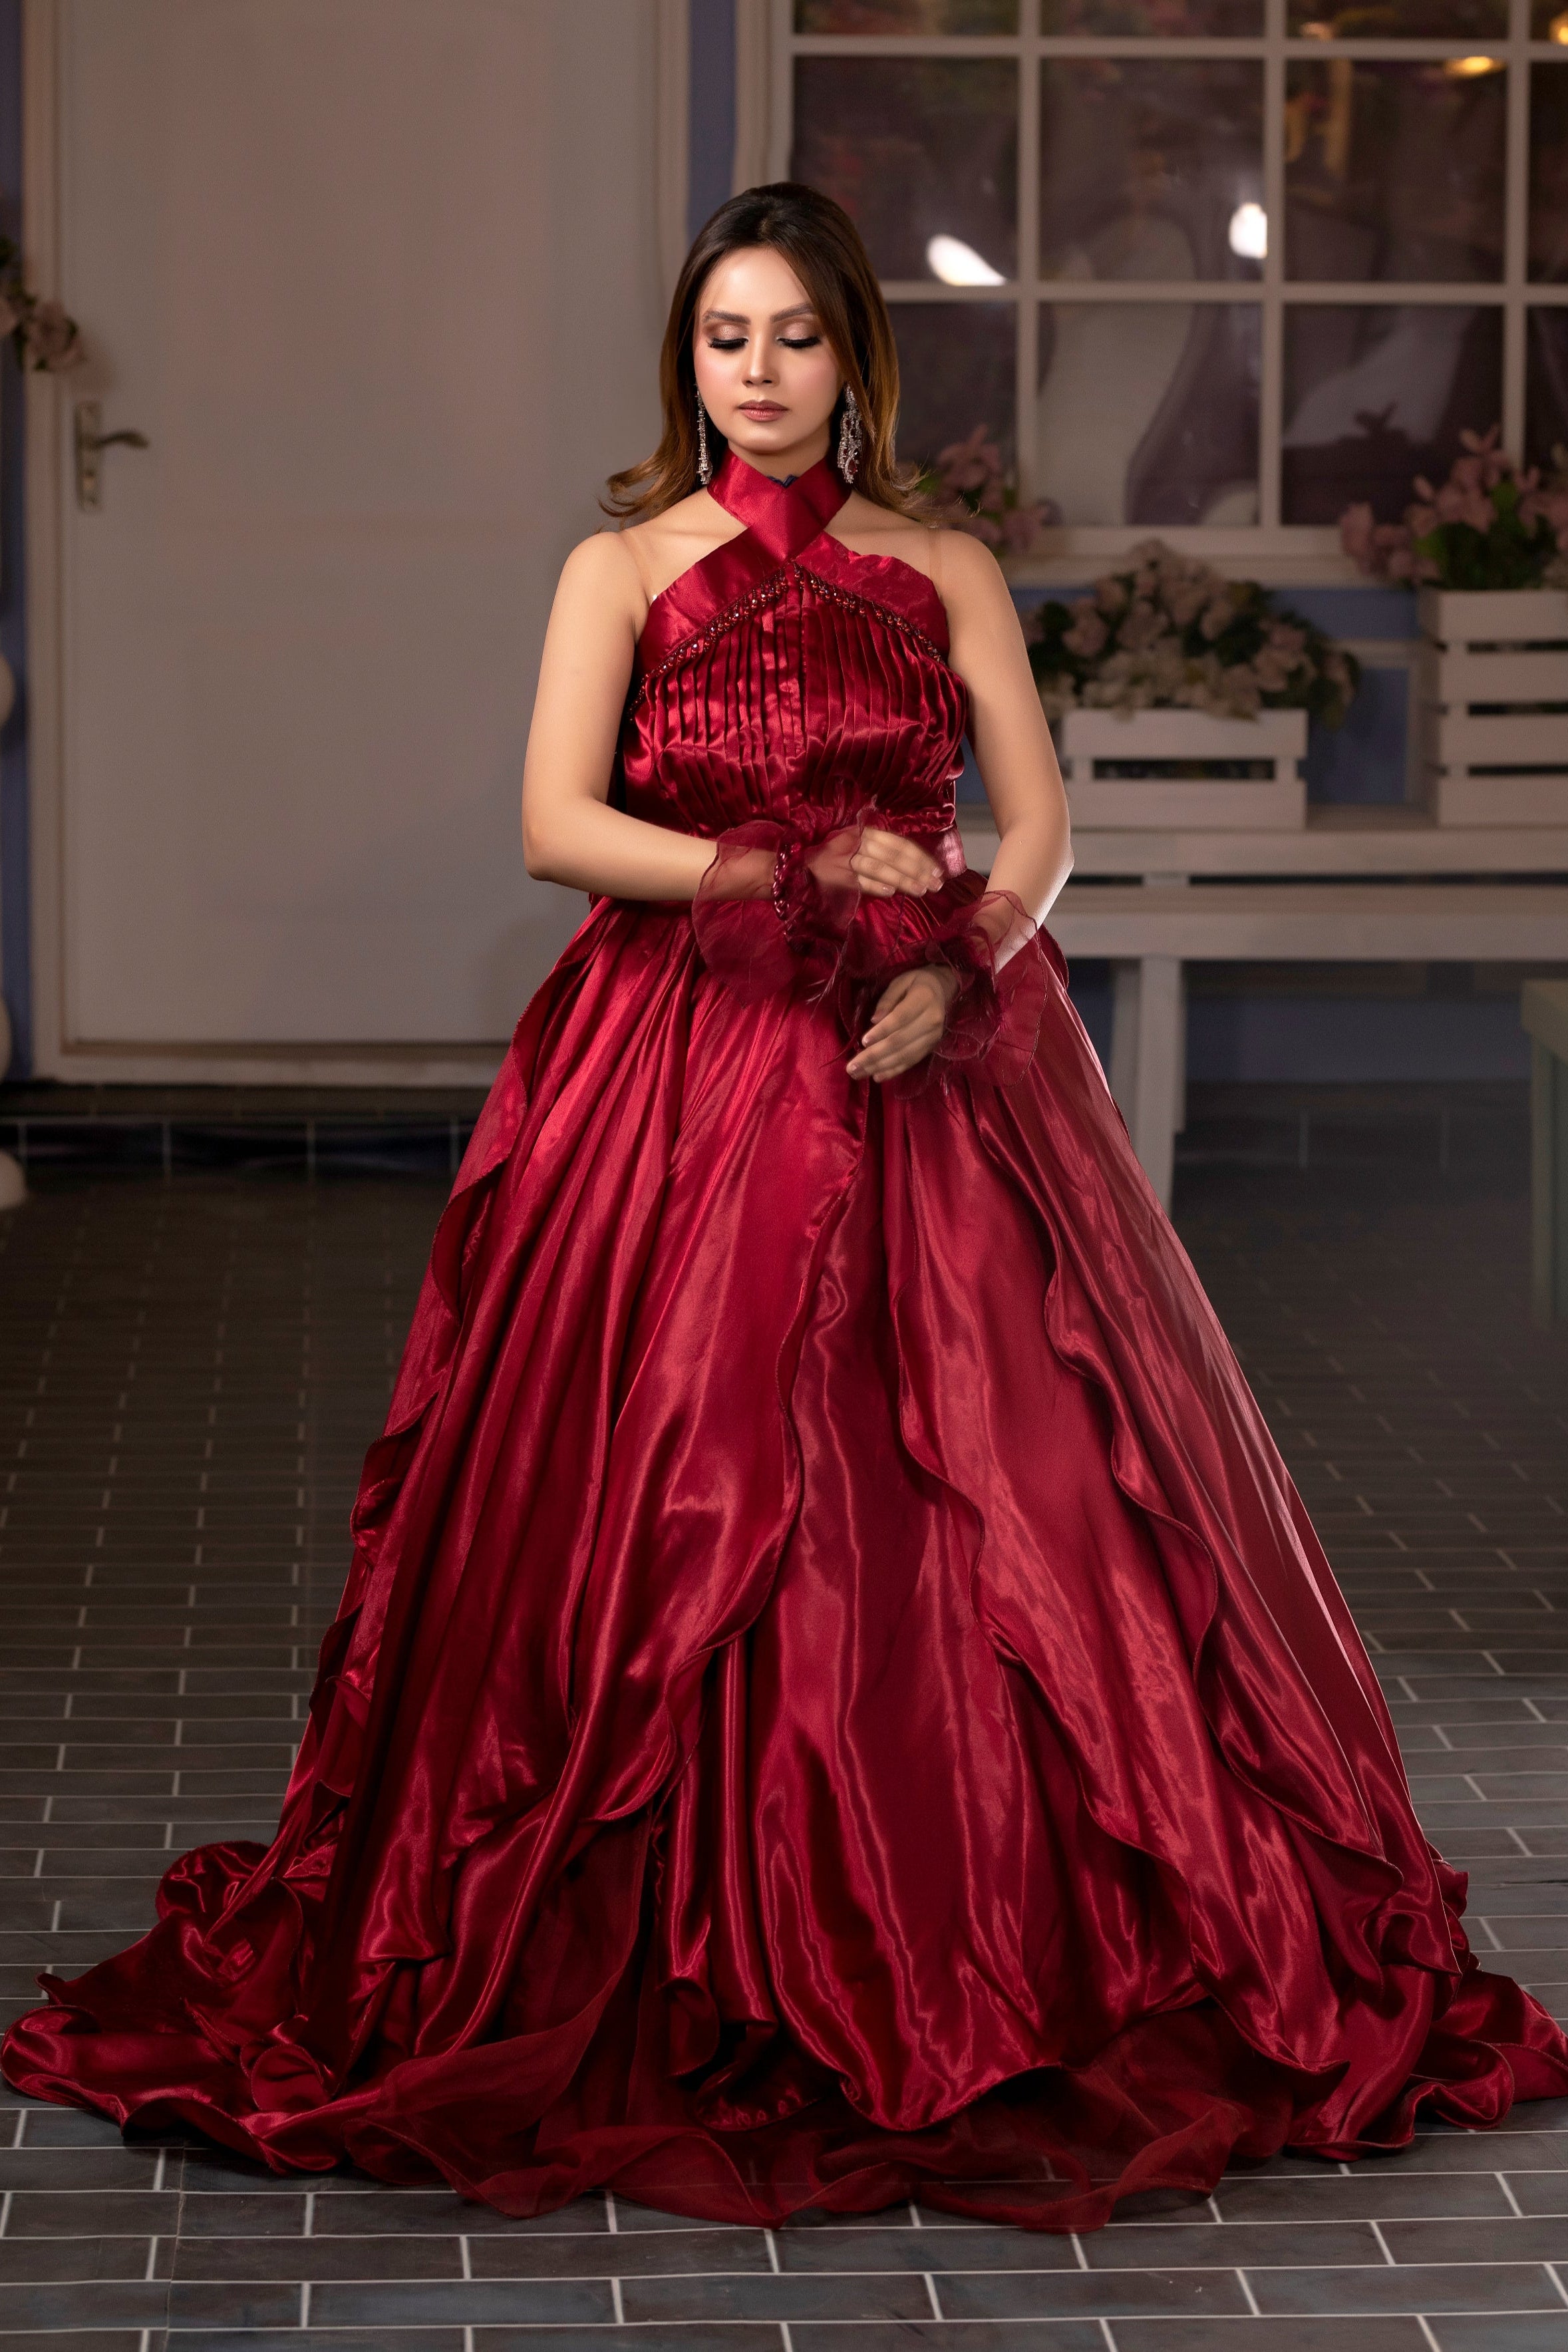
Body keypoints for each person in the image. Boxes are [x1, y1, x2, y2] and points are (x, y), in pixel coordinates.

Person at [5, 184, 1565, 2231]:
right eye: (725, 337)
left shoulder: (944, 567)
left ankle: (997, 1928)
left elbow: (1044, 819)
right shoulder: (621, 564)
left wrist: (971, 958)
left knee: (1024, 1488)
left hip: (933, 1069)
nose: (758, 372)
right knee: (680, 1474)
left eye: (795, 337)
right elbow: (563, 823)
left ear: (856, 359)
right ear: (689, 358)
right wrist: (785, 881)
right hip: (681, 1072)